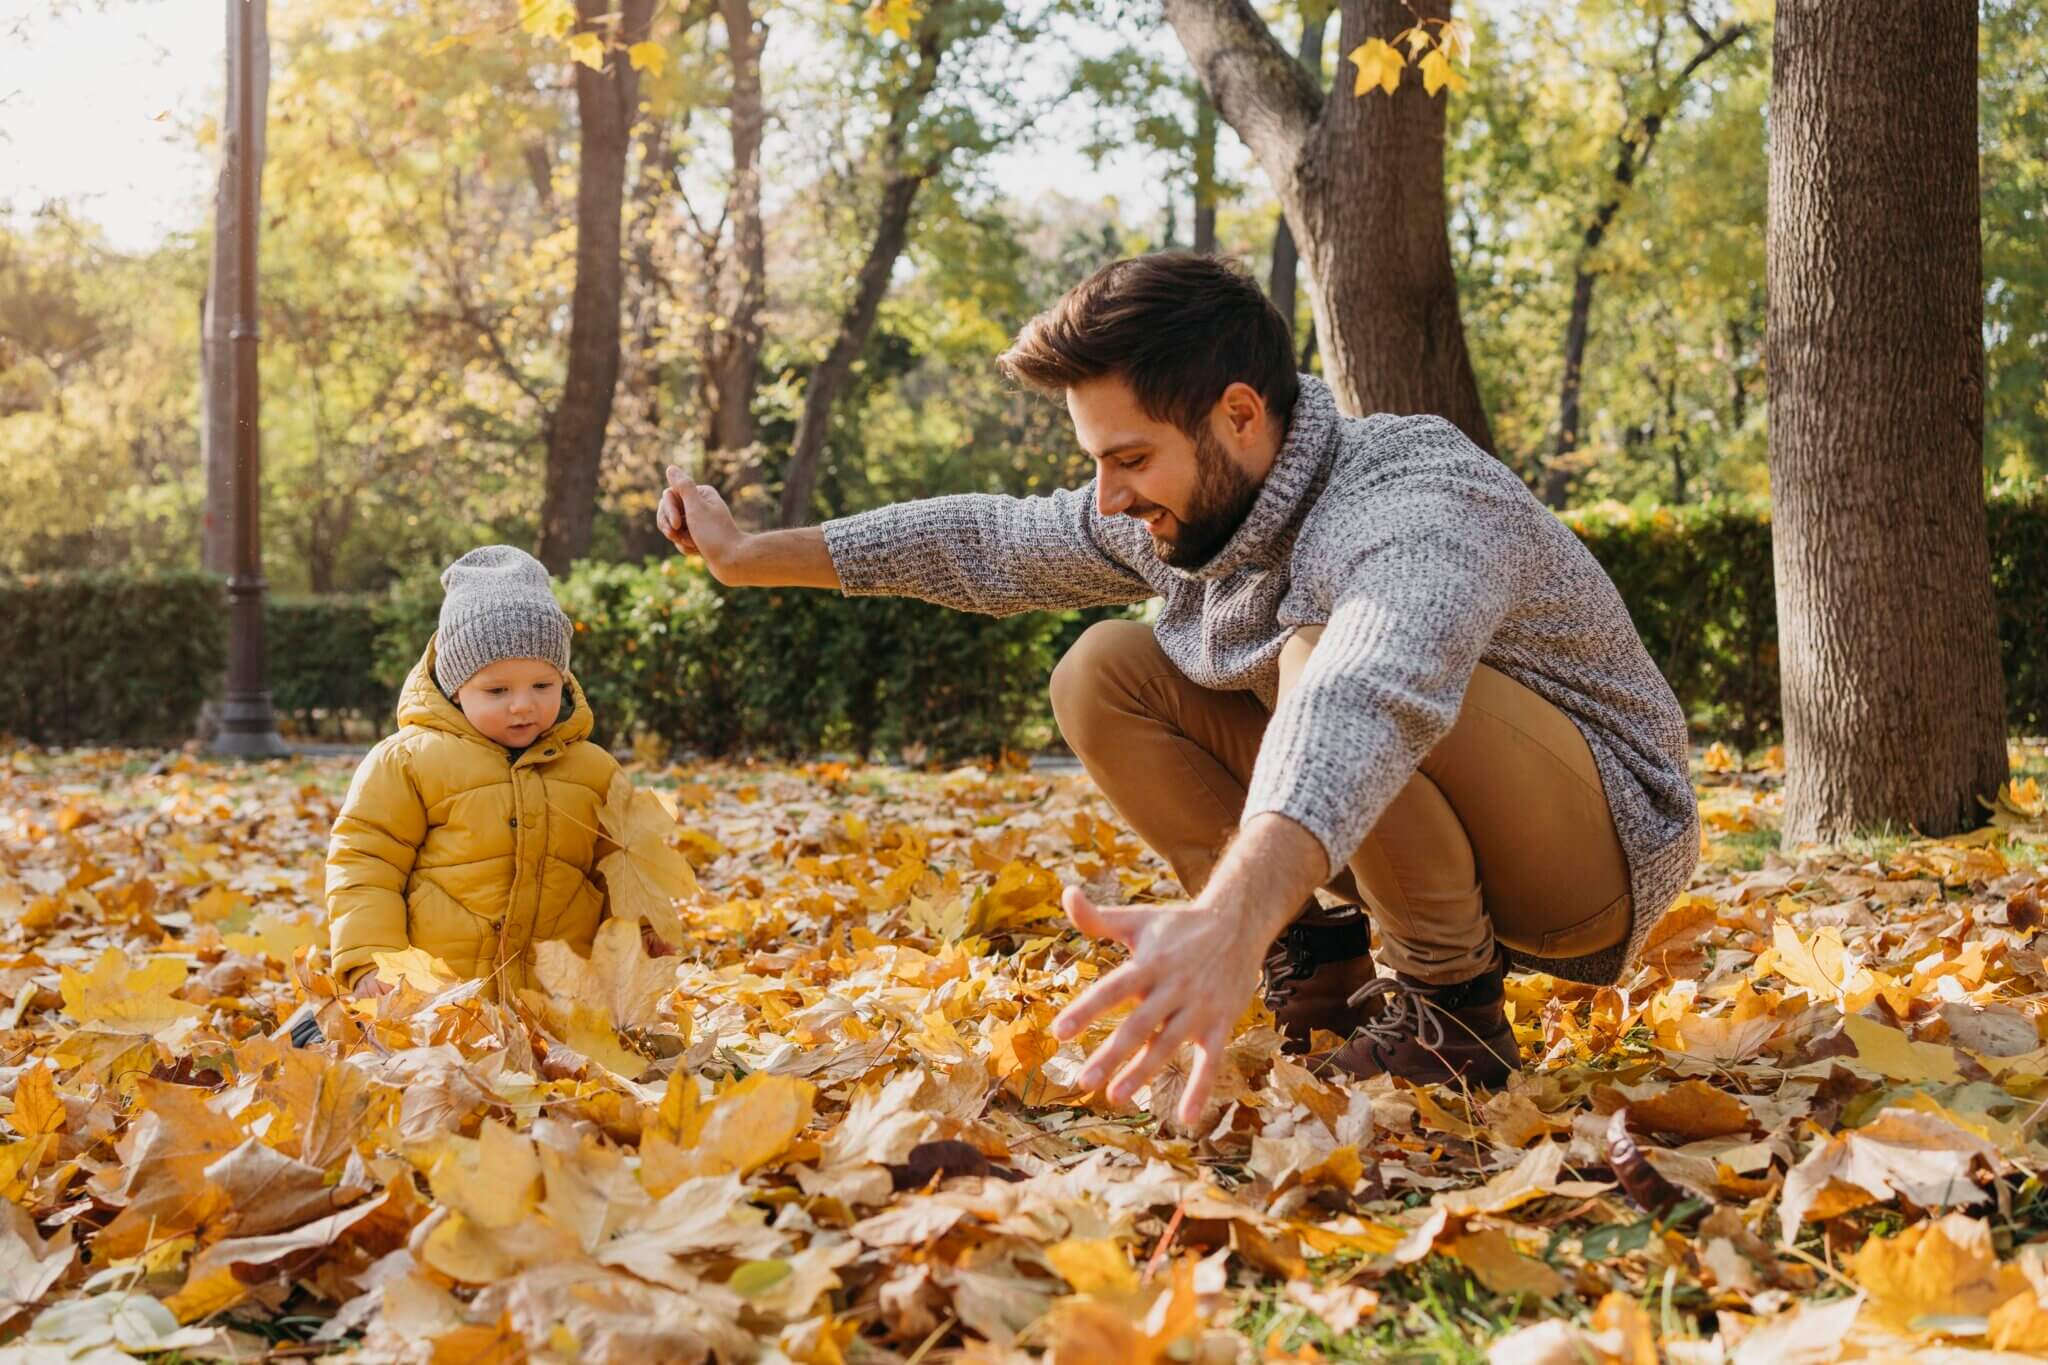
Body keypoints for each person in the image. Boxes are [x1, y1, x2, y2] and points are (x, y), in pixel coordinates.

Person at [656, 253, 1699, 1126]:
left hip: (1590, 854)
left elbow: (1368, 688)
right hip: (1421, 803)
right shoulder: (1191, 509)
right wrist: (750, 554)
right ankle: (1319, 967)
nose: (1109, 498)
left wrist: (1222, 911)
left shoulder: (1410, 496)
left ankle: (1450, 1012)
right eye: (1096, 464)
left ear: (1238, 415)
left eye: (1129, 459)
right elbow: (987, 543)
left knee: (1317, 655)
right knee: (1103, 670)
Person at [325, 546, 623, 1000]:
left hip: (559, 1002)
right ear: (455, 688)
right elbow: (367, 860)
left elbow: (621, 871)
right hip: (441, 1001)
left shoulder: (593, 770)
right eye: (497, 689)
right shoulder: (410, 762)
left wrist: (643, 928)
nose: (522, 704)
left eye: (542, 685)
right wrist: (372, 956)